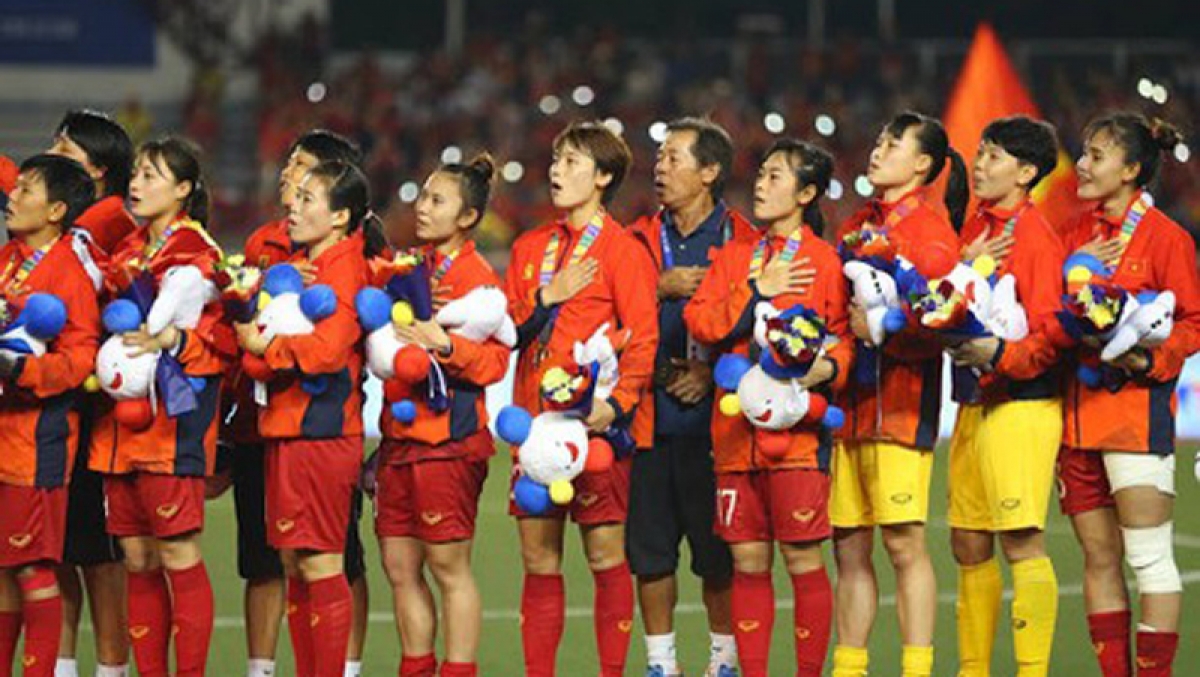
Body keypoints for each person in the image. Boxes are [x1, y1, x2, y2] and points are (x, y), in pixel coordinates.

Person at [684, 138, 851, 676]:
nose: (760, 183)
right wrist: (757, 289)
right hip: (733, 439)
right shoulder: (735, 257)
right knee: (747, 563)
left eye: (776, 176)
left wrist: (826, 369)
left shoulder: (825, 262)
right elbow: (701, 323)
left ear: (806, 193)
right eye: (760, 173)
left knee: (803, 560)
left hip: (799, 441)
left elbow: (844, 340)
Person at [503, 120, 658, 677]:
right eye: (556, 160)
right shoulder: (529, 247)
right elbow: (509, 331)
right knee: (537, 559)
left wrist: (615, 408)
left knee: (604, 557)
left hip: (596, 432)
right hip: (536, 431)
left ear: (604, 177)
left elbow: (642, 338)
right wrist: (549, 295)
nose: (556, 171)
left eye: (571, 163)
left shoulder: (623, 251)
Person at [218, 129, 371, 677]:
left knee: (323, 563)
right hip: (286, 429)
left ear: (340, 216)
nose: (295, 207)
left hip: (321, 434)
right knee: (295, 563)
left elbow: (330, 350)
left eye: (309, 198)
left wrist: (266, 347)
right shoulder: (311, 265)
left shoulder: (345, 268)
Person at [1054, 113, 1197, 677]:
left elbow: (1192, 322)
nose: (1082, 166)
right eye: (1084, 153)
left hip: (1136, 417)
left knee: (1149, 558)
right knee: (1099, 559)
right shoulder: (1073, 236)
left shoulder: (1168, 238)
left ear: (1132, 169)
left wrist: (1148, 358)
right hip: (1077, 420)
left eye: (1095, 155)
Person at [88, 137, 230, 677]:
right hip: (119, 428)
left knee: (176, 556)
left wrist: (175, 342)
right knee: (138, 559)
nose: (137, 183)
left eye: (151, 175)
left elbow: (221, 345)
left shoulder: (199, 255)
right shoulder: (129, 251)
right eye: (138, 174)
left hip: (172, 425)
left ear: (184, 189)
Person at [831, 111, 966, 677]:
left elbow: (939, 324)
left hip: (901, 409)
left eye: (893, 143)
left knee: (905, 546)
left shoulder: (931, 232)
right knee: (849, 550)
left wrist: (884, 328)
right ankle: (850, 667)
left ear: (923, 164)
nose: (878, 148)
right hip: (849, 412)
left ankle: (916, 668)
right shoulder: (860, 222)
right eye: (880, 137)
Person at [626, 116, 755, 677]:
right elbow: (610, 309)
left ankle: (722, 662)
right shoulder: (634, 239)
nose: (659, 167)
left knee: (717, 556)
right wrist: (658, 287)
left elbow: (766, 330)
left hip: (716, 426)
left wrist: (714, 376)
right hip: (649, 417)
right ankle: (662, 665)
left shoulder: (745, 238)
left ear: (709, 171)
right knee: (651, 555)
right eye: (659, 157)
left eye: (673, 157)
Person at [374, 154, 511, 677]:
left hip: (447, 442)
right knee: (399, 566)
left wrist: (446, 345)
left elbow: (497, 363)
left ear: (468, 217)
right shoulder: (409, 268)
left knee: (447, 568)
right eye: (422, 196)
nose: (422, 207)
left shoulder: (479, 282)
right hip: (398, 439)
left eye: (436, 200)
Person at [942, 115, 1066, 676]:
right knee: (967, 542)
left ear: (1026, 171)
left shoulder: (1037, 237)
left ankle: (1032, 671)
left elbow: (1048, 336)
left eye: (992, 155)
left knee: (1021, 542)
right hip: (974, 402)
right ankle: (974, 670)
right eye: (981, 152)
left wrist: (998, 355)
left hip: (1021, 404)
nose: (980, 164)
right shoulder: (977, 230)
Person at [42, 109, 137, 677]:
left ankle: (110, 668)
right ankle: (61, 663)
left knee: (99, 555)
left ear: (98, 172)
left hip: (97, 411)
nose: (52, 152)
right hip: (57, 407)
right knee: (55, 552)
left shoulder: (106, 221)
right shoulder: (63, 229)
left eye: (66, 147)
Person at [0, 155, 100, 677]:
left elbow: (80, 361)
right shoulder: (9, 259)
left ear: (57, 209)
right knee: (2, 570)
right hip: (2, 438)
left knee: (34, 568)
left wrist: (18, 368)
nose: (12, 197)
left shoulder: (70, 275)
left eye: (26, 190)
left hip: (36, 443)